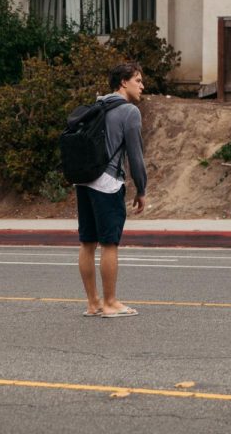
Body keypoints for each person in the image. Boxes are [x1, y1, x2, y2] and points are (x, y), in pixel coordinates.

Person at [77, 62, 147, 318]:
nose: (142, 86)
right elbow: (136, 156)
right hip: (107, 183)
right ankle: (110, 303)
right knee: (109, 243)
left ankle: (93, 302)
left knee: (87, 243)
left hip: (84, 180)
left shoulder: (98, 105)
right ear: (123, 82)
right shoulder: (129, 112)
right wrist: (141, 189)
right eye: (137, 80)